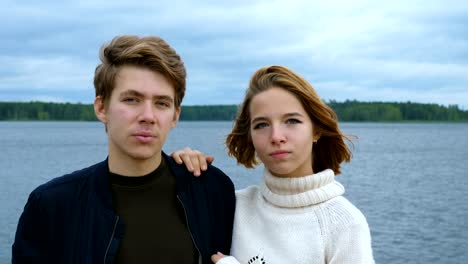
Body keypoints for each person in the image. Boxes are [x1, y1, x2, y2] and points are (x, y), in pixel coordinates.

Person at [12, 35, 235, 264]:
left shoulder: (211, 191)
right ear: (101, 108)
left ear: (175, 116)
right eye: (131, 99)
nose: (148, 116)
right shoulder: (52, 206)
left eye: (161, 103)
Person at [172, 65, 375, 263]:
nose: (276, 137)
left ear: (316, 130)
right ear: (249, 136)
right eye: (262, 125)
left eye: (292, 121)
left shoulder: (344, 223)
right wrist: (176, 170)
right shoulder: (232, 206)